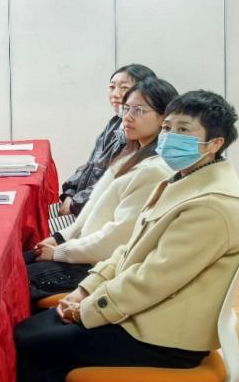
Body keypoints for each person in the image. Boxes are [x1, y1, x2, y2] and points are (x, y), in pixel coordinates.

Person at [14, 90, 239, 382]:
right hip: (147, 314)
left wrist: (87, 310)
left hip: (165, 338)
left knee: (27, 348)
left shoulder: (212, 205)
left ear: (214, 143)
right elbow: (129, 252)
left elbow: (151, 281)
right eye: (168, 127)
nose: (170, 137)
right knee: (25, 337)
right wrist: (86, 289)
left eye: (184, 130)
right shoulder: (183, 180)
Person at [25, 78, 177, 304]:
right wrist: (59, 238)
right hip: (83, 252)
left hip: (97, 267)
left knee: (14, 281)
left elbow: (116, 238)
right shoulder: (131, 155)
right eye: (126, 108)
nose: (128, 117)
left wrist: (59, 252)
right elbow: (92, 210)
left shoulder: (154, 169)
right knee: (14, 263)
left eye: (139, 110)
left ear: (164, 119)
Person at [53, 64, 157, 223]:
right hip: (80, 203)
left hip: (95, 212)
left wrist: (75, 203)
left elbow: (112, 183)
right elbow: (90, 165)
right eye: (112, 87)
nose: (115, 94)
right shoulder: (115, 123)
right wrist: (70, 193)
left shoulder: (137, 134)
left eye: (124, 88)